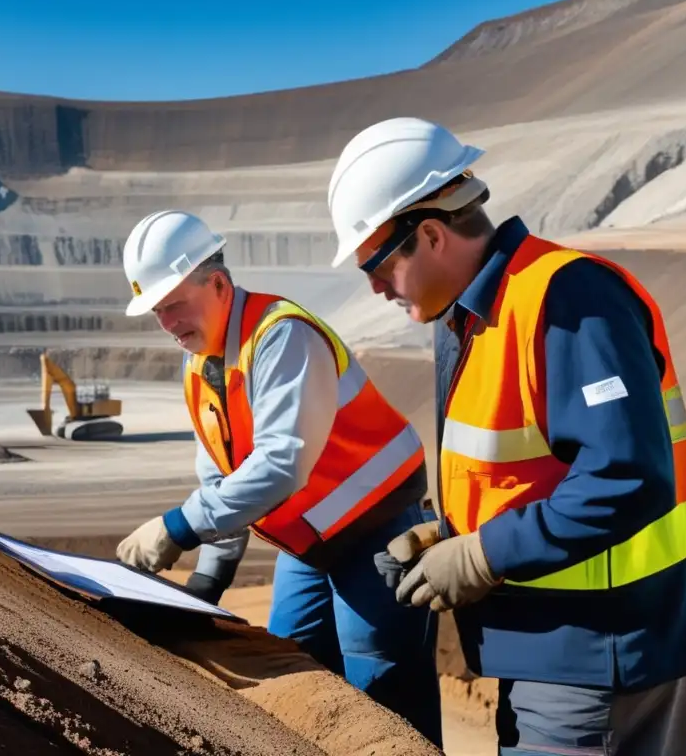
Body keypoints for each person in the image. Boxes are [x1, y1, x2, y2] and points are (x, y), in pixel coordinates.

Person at [326, 115, 686, 754]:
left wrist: (482, 555)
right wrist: (447, 533)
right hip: (549, 647)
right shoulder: (473, 316)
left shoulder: (568, 298)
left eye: (376, 265)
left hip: (603, 651)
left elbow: (628, 474)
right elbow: (526, 467)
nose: (372, 287)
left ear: (431, 234)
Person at [113, 209, 443, 746]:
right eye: (156, 311)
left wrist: (177, 528)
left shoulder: (281, 337)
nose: (167, 324)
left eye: (174, 304)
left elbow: (279, 466)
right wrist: (209, 581)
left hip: (376, 529)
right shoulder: (203, 362)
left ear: (217, 283)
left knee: (384, 693)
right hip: (308, 542)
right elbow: (226, 475)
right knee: (293, 680)